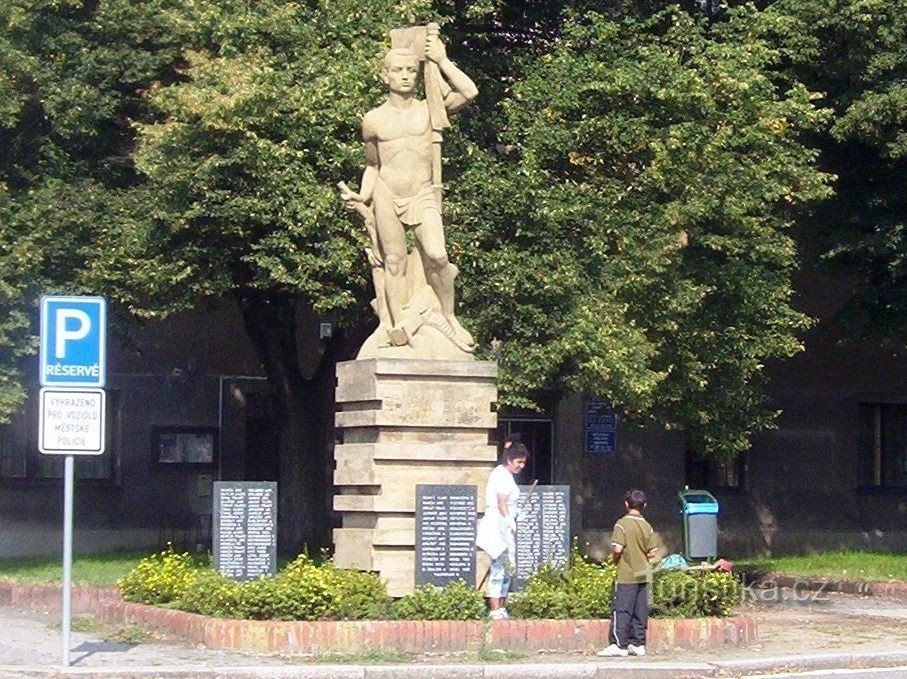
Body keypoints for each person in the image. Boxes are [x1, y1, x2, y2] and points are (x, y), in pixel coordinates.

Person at [340, 28, 478, 350]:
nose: (405, 76)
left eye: (411, 70)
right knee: (394, 262)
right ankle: (397, 323)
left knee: (437, 255)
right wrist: (363, 195)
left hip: (421, 192)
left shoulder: (429, 107)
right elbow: (373, 166)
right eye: (398, 70)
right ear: (384, 75)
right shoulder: (373, 120)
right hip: (388, 194)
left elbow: (469, 92)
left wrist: (441, 60)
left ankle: (449, 316)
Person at [598, 489, 662, 657]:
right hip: (643, 571)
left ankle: (619, 644)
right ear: (644, 506)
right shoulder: (647, 526)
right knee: (640, 608)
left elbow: (617, 548)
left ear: (626, 504)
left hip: (626, 571)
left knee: (622, 608)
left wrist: (614, 557)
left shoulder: (622, 524)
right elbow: (652, 552)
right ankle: (638, 643)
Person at [480, 441, 528, 620]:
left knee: (508, 567)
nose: (521, 466)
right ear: (509, 459)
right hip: (497, 525)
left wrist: (515, 515)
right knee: (499, 567)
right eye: (519, 462)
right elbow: (501, 501)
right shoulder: (500, 475)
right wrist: (508, 518)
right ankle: (494, 608)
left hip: (506, 526)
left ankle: (502, 605)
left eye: (523, 463)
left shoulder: (508, 476)